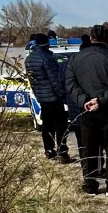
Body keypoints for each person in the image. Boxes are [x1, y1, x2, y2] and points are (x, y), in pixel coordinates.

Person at [65, 24, 108, 195]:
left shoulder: (75, 58)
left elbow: (70, 84)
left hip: (86, 109)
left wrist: (84, 100)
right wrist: (101, 100)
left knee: (88, 147)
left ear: (91, 38)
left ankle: (90, 185)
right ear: (107, 38)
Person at [25, 32, 72, 162]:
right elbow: (55, 80)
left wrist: (38, 95)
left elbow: (32, 81)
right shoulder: (47, 58)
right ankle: (63, 152)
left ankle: (49, 151)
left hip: (42, 98)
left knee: (47, 125)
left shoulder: (29, 59)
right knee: (61, 125)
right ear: (46, 43)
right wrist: (63, 96)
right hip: (53, 98)